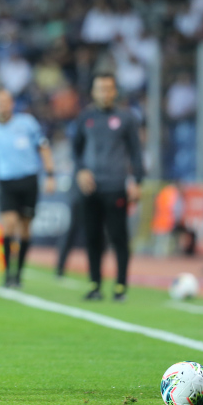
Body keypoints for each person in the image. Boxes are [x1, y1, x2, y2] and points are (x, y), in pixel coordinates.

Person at [72, 73, 144, 301]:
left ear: (115, 91)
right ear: (93, 92)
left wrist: (137, 181)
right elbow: (75, 150)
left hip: (115, 186)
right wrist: (81, 171)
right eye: (100, 89)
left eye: (108, 89)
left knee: (118, 237)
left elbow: (136, 152)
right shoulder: (85, 117)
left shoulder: (126, 118)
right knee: (92, 237)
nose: (104, 93)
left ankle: (120, 286)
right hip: (91, 187)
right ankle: (95, 284)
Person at [0, 89, 56, 287]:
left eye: (5, 101)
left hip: (29, 180)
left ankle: (19, 272)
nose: (2, 106)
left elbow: (44, 147)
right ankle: (7, 273)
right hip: (6, 183)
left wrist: (49, 174)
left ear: (12, 103)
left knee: (25, 229)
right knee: (9, 224)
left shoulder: (27, 123)